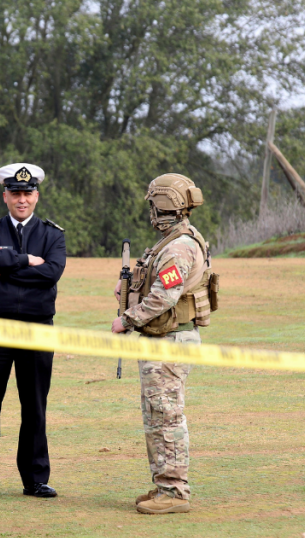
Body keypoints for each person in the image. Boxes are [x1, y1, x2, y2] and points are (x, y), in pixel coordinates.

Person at [111, 173, 217, 515]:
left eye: (154, 205)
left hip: (170, 341)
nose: (152, 212)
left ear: (164, 205)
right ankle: (164, 484)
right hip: (162, 339)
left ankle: (174, 491)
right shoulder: (173, 240)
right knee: (157, 414)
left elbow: (164, 298)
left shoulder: (179, 246)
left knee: (166, 414)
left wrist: (127, 319)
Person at [0, 162, 67, 501]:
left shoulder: (53, 234)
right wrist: (27, 261)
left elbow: (51, 273)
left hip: (37, 330)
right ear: (5, 195)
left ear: (36, 196)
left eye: (27, 193)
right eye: (15, 194)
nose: (21, 200)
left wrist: (5, 265)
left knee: (35, 406)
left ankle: (35, 480)